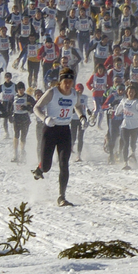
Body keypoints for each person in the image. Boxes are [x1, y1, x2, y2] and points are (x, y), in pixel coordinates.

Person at [32, 67, 88, 206]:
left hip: (65, 130)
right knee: (47, 166)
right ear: (60, 81)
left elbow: (78, 106)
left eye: (70, 81)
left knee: (64, 163)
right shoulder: (52, 92)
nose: (68, 84)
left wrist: (82, 117)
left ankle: (61, 196)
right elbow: (36, 107)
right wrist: (45, 118)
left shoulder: (75, 94)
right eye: (65, 81)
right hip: (50, 129)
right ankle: (40, 169)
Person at [114, 84, 138, 170]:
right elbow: (117, 112)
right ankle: (125, 162)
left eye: (132, 92)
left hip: (135, 125)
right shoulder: (123, 101)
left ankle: (133, 154)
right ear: (127, 92)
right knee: (125, 144)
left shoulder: (136, 102)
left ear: (135, 93)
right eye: (129, 92)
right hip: (125, 125)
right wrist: (116, 111)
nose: (131, 93)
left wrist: (131, 112)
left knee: (133, 143)